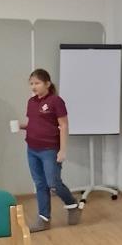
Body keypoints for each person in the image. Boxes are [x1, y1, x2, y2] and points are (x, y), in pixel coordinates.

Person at [20, 68, 82, 232]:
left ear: (47, 84)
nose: (34, 86)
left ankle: (72, 204)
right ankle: (44, 218)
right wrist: (22, 126)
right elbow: (34, 123)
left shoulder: (56, 101)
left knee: (53, 183)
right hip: (32, 149)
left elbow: (64, 125)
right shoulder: (31, 102)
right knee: (40, 184)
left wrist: (62, 150)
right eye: (31, 83)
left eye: (37, 83)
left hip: (49, 149)